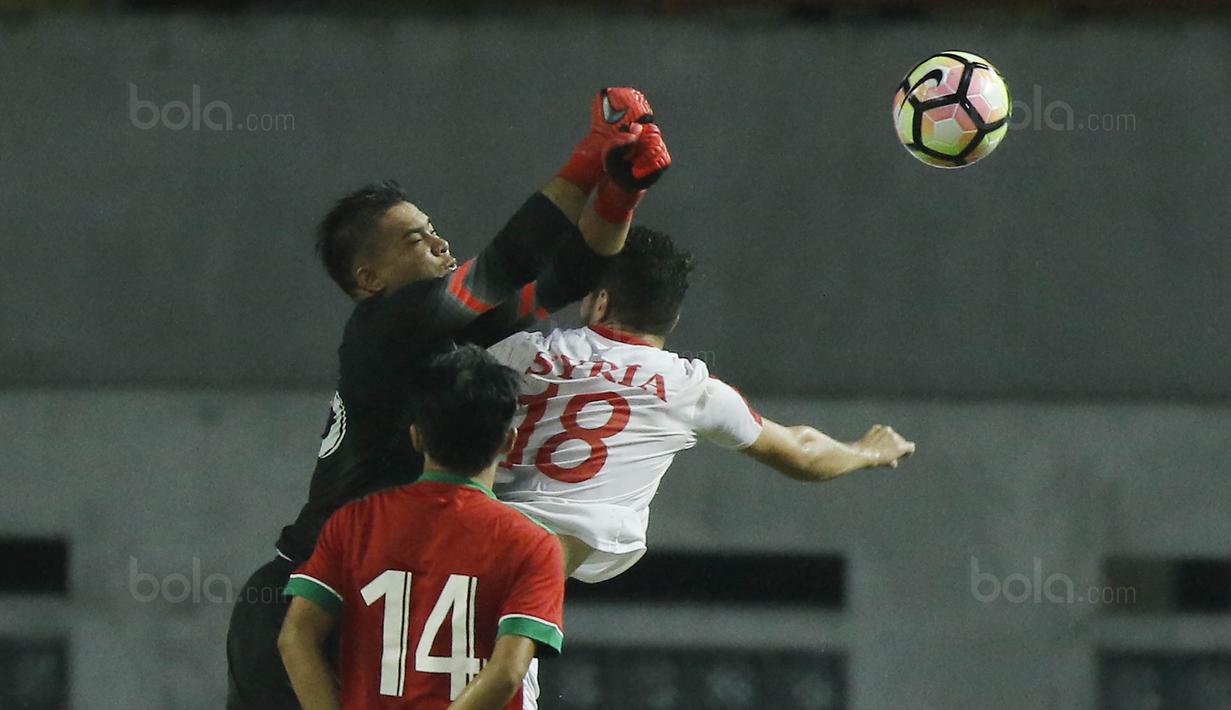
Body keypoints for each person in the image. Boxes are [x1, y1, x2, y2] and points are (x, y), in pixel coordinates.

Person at [227, 88, 671, 708]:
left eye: (434, 230)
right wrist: (591, 155)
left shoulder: (446, 330)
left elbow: (569, 274)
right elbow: (505, 261)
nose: (439, 244)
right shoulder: (384, 328)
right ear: (369, 279)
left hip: (368, 602)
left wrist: (622, 189)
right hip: (306, 602)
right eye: (415, 240)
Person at [488, 227, 917, 582]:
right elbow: (802, 452)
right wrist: (867, 451)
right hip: (536, 567)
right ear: (673, 320)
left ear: (600, 302)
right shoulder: (690, 389)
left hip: (477, 532)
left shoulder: (522, 351)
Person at [279, 345, 565, 710]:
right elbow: (508, 672)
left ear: (416, 436)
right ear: (509, 441)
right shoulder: (534, 544)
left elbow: (296, 636)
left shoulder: (355, 522)